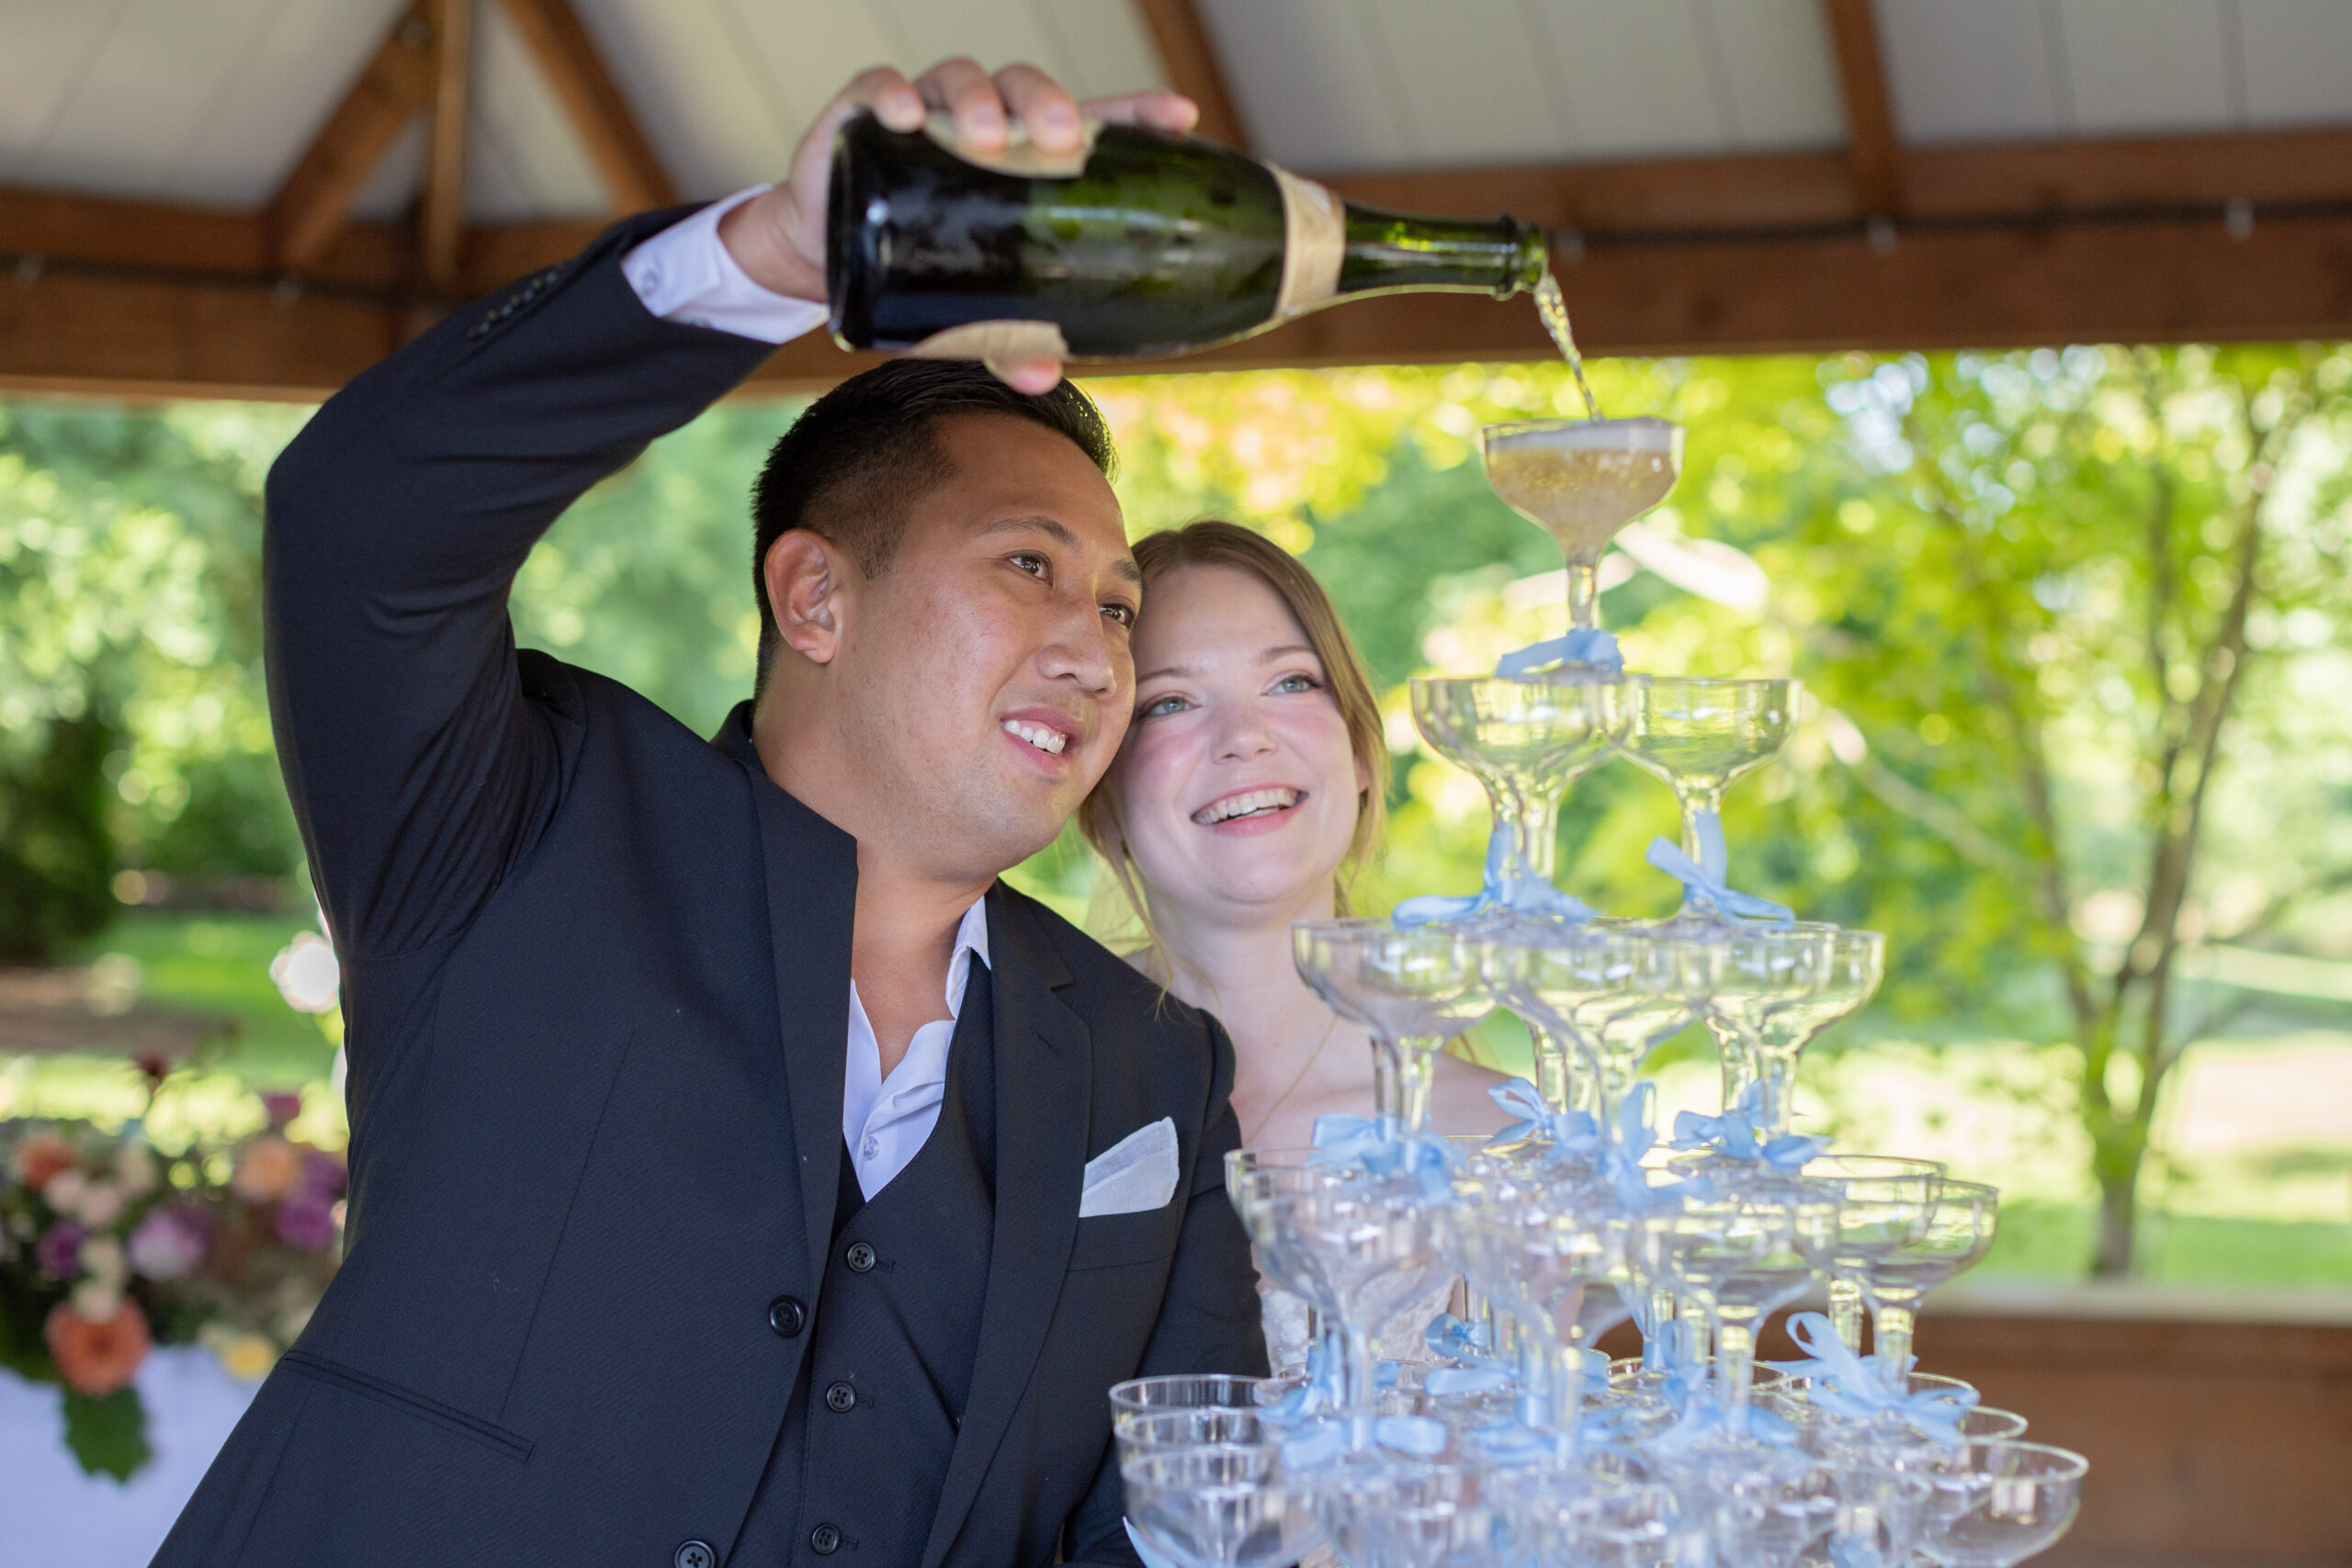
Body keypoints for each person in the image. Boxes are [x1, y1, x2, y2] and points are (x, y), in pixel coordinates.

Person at [157, 62, 1264, 1568]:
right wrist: (770, 260)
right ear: (815, 594)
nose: (1095, 646)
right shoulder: (516, 821)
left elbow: (1180, 1515)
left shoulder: (1156, 1063)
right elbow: (364, 513)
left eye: (1121, 610)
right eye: (1030, 567)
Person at [1077, 523, 1508, 1367]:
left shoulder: (1500, 1134)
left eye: (1290, 682)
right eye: (1170, 700)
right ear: (1101, 789)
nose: (1244, 735)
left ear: (1359, 756)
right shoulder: (1020, 1087)